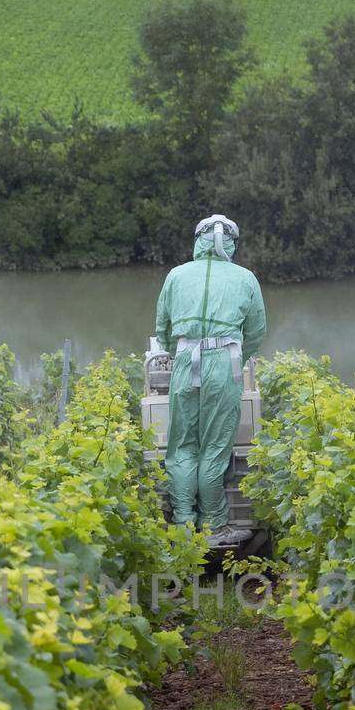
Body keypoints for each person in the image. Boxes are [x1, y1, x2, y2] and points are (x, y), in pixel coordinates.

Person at [155, 213, 267, 547]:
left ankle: (184, 524)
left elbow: (161, 326)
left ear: (198, 240)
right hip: (224, 364)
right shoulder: (245, 278)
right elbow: (257, 331)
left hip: (185, 359)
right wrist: (236, 358)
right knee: (215, 447)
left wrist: (177, 353)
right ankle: (215, 527)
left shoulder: (176, 275)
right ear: (230, 242)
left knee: (182, 446)